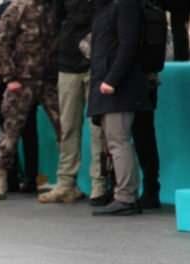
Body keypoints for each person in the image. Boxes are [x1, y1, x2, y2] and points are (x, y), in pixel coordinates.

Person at [0, 0, 60, 201]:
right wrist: (9, 77)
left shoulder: (52, 8)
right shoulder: (16, 9)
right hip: (22, 81)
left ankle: (67, 181)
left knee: (65, 128)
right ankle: (1, 178)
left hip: (48, 80)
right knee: (10, 132)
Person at [38, 0, 106, 205]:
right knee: (67, 127)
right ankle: (66, 183)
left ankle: (99, 184)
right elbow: (52, 21)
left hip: (97, 61)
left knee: (98, 128)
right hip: (68, 61)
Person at [89, 0, 150, 216]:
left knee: (119, 141)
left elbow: (128, 45)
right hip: (108, 86)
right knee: (115, 141)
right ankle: (123, 194)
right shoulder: (105, 7)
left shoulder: (124, 5)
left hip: (118, 87)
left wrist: (112, 79)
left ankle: (126, 196)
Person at [0, 0, 38, 194]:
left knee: (26, 130)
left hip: (24, 78)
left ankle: (28, 178)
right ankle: (14, 177)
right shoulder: (1, 10)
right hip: (9, 80)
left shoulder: (31, 9)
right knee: (11, 128)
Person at [133, 74, 161, 209]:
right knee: (144, 138)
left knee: (144, 139)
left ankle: (150, 189)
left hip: (141, 83)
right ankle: (150, 190)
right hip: (144, 82)